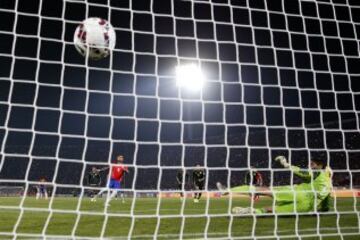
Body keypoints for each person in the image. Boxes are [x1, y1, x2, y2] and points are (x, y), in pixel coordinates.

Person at [217, 155, 332, 214]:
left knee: (263, 190)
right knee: (272, 210)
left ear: (320, 165)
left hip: (299, 193)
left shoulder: (319, 172)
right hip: (306, 207)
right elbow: (326, 201)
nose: (310, 165)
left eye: (312, 163)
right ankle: (250, 211)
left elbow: (301, 171)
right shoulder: (328, 182)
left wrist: (286, 164)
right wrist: (324, 209)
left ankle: (228, 190)